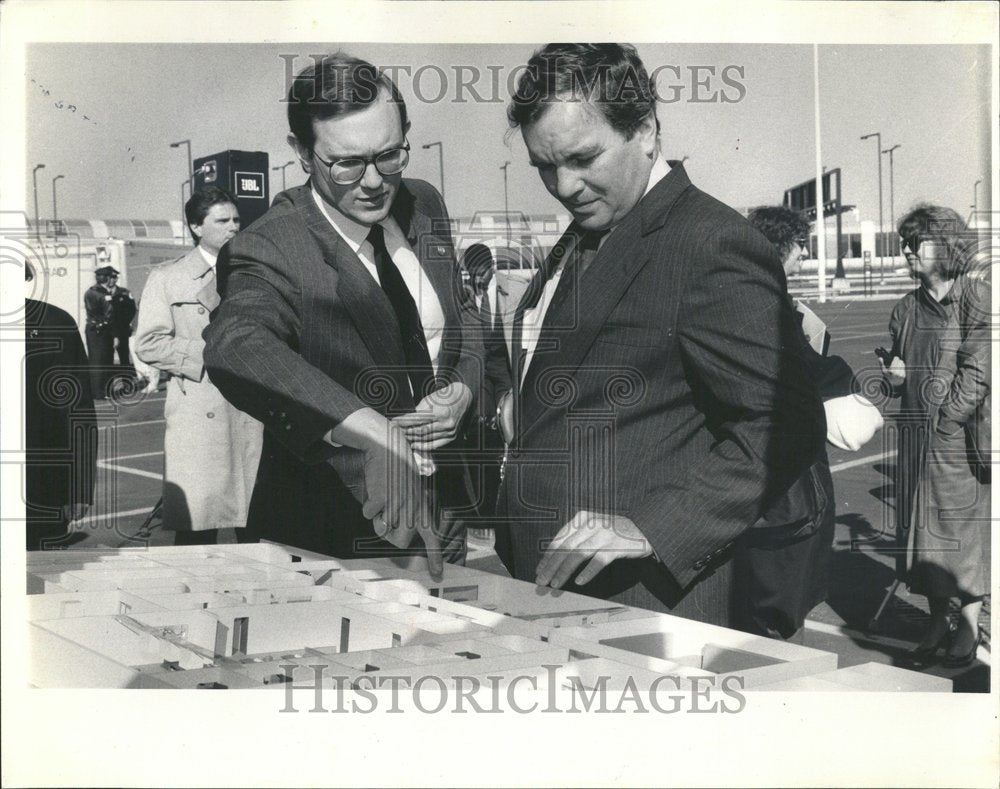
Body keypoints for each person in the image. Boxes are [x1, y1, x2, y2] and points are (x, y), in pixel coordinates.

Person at [491, 43, 826, 627]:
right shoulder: (586, 233)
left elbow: (785, 423)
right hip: (552, 583)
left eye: (582, 158)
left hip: (644, 598)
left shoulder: (710, 244)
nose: (563, 186)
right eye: (545, 166)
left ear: (645, 130)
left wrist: (651, 528)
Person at [203, 53, 482, 577]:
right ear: (302, 154)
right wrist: (372, 430)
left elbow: (465, 319)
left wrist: (461, 390)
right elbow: (237, 344)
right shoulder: (269, 245)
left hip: (444, 512)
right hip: (336, 533)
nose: (375, 181)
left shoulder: (424, 203)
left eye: (390, 155)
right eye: (348, 163)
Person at [738, 206, 883, 640]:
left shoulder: (755, 298)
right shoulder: (769, 307)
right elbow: (803, 375)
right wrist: (847, 375)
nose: (804, 255)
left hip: (769, 481)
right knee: (778, 611)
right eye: (800, 246)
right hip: (781, 484)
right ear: (780, 247)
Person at [880, 203, 990, 669]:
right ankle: (935, 619)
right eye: (905, 243)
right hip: (913, 437)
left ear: (944, 245)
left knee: (960, 532)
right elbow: (893, 379)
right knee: (918, 533)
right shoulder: (905, 308)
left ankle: (967, 625)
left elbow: (978, 369)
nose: (907, 251)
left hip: (954, 441)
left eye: (916, 243)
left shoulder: (976, 297)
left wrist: (946, 422)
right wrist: (894, 377)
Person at [134, 188, 264, 545]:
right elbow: (149, 343)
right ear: (196, 226)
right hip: (199, 413)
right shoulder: (167, 278)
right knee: (198, 533)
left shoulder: (255, 273)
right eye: (222, 221)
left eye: (237, 219)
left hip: (251, 412)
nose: (233, 228)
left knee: (257, 532)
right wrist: (210, 353)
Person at [24, 261, 97, 549]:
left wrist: (79, 488)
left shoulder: (55, 322)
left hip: (42, 486)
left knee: (45, 578)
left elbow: (78, 411)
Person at [460, 243, 511, 532]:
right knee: (473, 452)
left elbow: (502, 355)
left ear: (492, 268)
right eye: (473, 274)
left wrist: (506, 395)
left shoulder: (509, 293)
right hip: (472, 384)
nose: (479, 280)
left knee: (495, 450)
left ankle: (491, 513)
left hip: (500, 382)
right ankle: (474, 516)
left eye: (483, 273)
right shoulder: (461, 294)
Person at [84, 265, 136, 399]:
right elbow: (106, 313)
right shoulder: (99, 293)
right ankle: (102, 390)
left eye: (115, 277)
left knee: (122, 359)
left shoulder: (123, 292)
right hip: (105, 331)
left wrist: (124, 325)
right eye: (111, 277)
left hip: (120, 330)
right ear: (106, 278)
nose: (113, 280)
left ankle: (126, 386)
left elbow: (131, 309)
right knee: (103, 360)